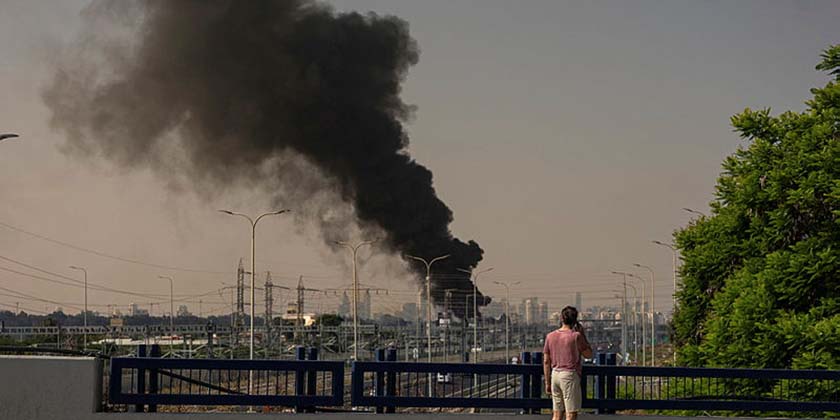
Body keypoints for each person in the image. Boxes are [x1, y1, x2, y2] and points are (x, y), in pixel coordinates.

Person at [543, 306, 593, 420]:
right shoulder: (576, 336)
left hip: (555, 374)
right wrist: (583, 334)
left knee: (556, 413)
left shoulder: (550, 336)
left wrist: (547, 382)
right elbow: (588, 354)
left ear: (561, 318)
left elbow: (546, 361)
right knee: (571, 413)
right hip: (569, 375)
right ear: (575, 320)